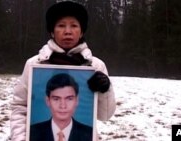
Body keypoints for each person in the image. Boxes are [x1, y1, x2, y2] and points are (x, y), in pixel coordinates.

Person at [10, 1, 116, 141]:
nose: (68, 31)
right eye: (61, 25)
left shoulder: (95, 66)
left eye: (74, 25)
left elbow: (105, 115)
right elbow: (20, 106)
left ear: (81, 31)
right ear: (52, 31)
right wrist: (20, 138)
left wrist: (104, 90)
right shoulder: (34, 64)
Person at [30, 73, 92, 141]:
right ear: (48, 101)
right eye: (56, 99)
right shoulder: (32, 132)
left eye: (69, 99)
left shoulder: (90, 134)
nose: (63, 106)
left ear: (76, 101)